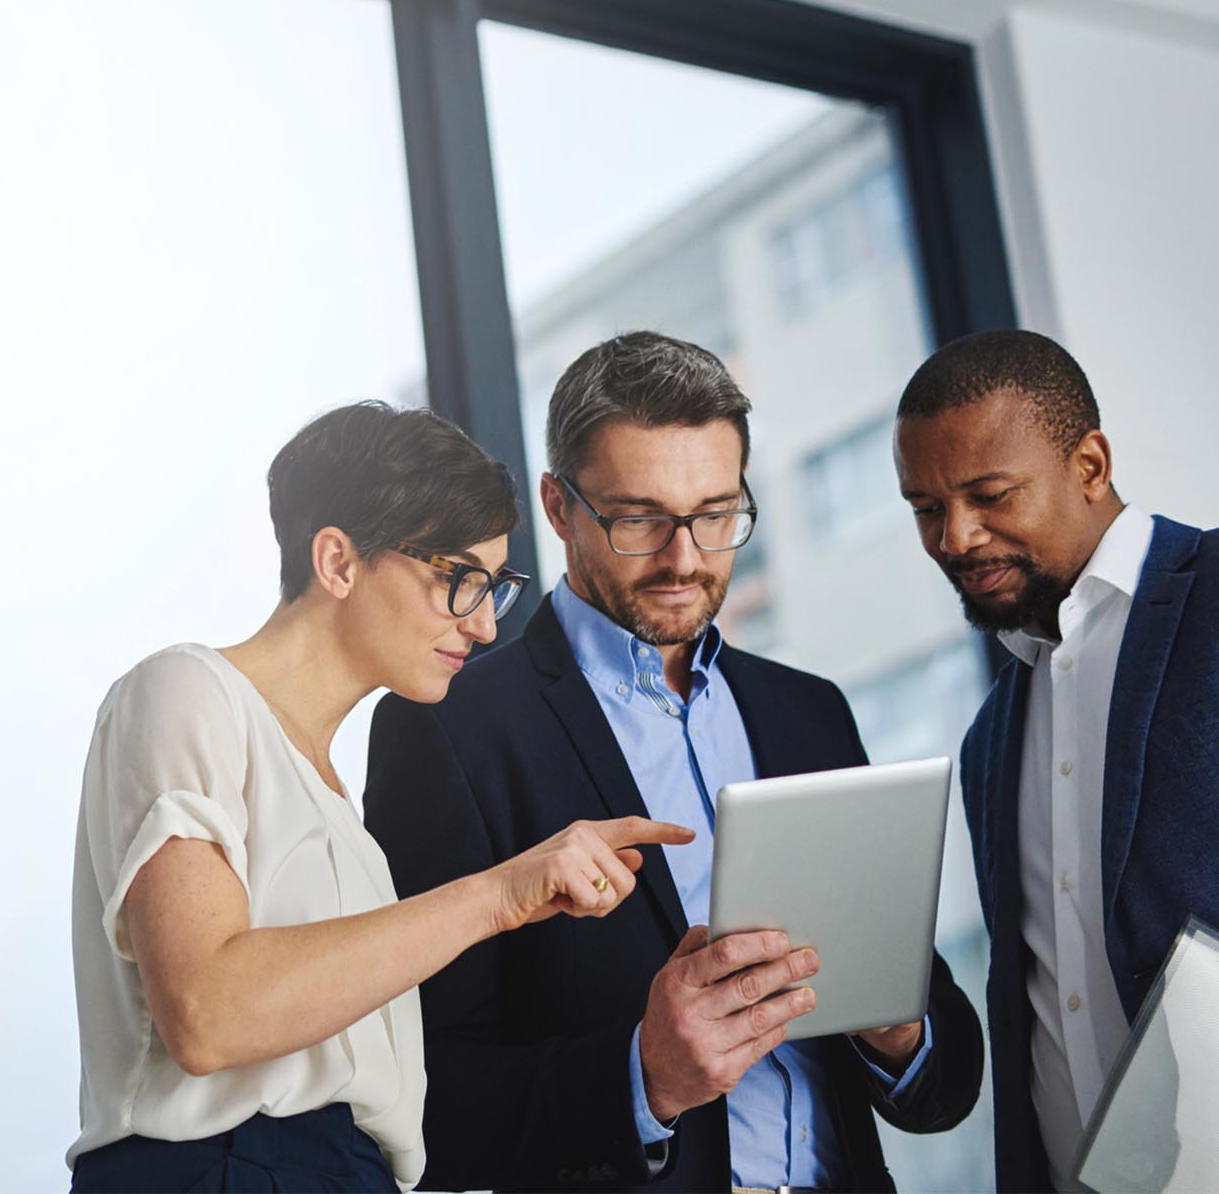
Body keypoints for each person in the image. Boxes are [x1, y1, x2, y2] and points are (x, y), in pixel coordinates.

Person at [364, 332, 984, 1192]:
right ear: (557, 507)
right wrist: (641, 1077)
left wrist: (897, 1033)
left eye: (717, 513)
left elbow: (943, 1085)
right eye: (638, 519)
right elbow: (414, 1100)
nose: (686, 558)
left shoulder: (808, 713)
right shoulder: (450, 730)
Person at [65, 400, 692, 1193]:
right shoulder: (187, 690)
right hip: (223, 1170)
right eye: (460, 580)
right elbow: (207, 1010)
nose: (486, 626)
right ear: (338, 562)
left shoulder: (339, 810)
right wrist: (498, 896)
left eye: (495, 588)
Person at [893, 328, 1219, 1193]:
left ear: (1090, 464)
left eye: (990, 495)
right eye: (926, 509)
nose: (956, 538)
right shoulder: (990, 739)